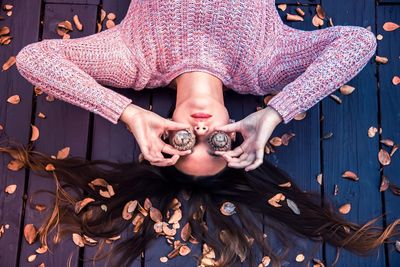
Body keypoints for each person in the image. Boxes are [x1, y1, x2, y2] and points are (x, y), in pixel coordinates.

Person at [5, 0, 395, 266]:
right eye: (219, 144)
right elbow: (357, 43)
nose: (204, 129)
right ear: (237, 134)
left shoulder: (133, 62)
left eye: (187, 141)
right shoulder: (263, 68)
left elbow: (33, 59)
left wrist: (126, 113)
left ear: (166, 134)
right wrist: (276, 113)